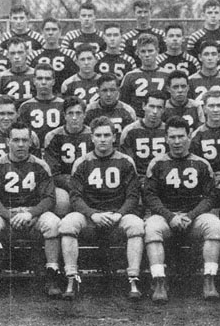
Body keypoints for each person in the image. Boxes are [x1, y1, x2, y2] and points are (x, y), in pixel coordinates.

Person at [58, 116, 143, 300]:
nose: (103, 139)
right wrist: (92, 214)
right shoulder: (82, 162)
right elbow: (75, 196)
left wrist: (119, 214)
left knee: (136, 225)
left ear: (114, 137)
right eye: (98, 135)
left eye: (107, 135)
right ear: (92, 138)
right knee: (67, 224)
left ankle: (133, 279)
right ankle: (71, 277)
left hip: (118, 213)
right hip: (90, 214)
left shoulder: (126, 161)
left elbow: (133, 196)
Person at [0, 122, 63, 297]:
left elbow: (49, 198)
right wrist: (9, 215)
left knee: (53, 223)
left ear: (31, 142)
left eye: (25, 140)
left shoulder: (40, 165)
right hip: (6, 213)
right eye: (16, 140)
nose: (21, 144)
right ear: (8, 141)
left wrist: (31, 213)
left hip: (32, 214)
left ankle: (52, 273)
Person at [143, 116, 220, 303]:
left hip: (193, 216)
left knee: (214, 225)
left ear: (189, 138)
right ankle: (160, 281)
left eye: (181, 136)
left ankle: (209, 279)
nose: (177, 142)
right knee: (152, 228)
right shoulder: (157, 163)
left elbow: (211, 196)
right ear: (166, 139)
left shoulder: (201, 164)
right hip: (166, 217)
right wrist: (169, 216)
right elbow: (149, 196)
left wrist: (191, 215)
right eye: (172, 137)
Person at [0, 96, 42, 190]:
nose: (6, 118)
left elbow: (36, 167)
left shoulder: (30, 136)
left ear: (17, 114)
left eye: (10, 114)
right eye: (2, 114)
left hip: (26, 185)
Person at [43, 97, 93, 192]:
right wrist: (73, 183)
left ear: (84, 115)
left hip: (91, 181)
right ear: (64, 116)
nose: (74, 118)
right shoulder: (53, 136)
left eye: (78, 113)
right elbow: (53, 173)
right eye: (70, 113)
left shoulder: (93, 135)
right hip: (64, 185)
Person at [120, 34, 170, 118]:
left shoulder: (167, 75)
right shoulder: (130, 76)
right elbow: (124, 104)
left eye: (150, 51)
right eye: (143, 51)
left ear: (157, 51)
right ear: (137, 53)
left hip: (162, 120)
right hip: (137, 120)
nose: (147, 55)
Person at [120, 90, 168, 176]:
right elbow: (127, 162)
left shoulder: (168, 131)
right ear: (143, 106)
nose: (155, 111)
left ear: (164, 109)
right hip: (138, 177)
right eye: (151, 106)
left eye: (159, 107)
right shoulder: (130, 131)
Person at [28, 17, 79, 94]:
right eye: (47, 30)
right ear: (42, 32)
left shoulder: (71, 55)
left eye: (54, 29)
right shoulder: (33, 56)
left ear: (60, 32)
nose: (50, 33)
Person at [83, 73, 137, 143]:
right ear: (98, 92)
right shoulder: (89, 110)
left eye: (112, 90)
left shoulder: (128, 111)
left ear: (118, 91)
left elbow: (132, 138)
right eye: (104, 90)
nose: (108, 94)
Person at [18, 63, 65, 142]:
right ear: (34, 81)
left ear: (53, 81)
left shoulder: (63, 104)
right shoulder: (25, 106)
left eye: (48, 79)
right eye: (40, 78)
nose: (43, 82)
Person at [122, 0, 166, 65]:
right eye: (139, 12)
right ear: (134, 14)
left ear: (151, 13)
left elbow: (165, 56)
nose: (143, 15)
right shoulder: (126, 38)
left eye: (145, 12)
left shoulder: (160, 35)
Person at [0, 37, 36, 106]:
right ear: (8, 55)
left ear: (27, 53)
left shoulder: (35, 74)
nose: (16, 57)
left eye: (20, 52)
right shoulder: (2, 77)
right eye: (12, 53)